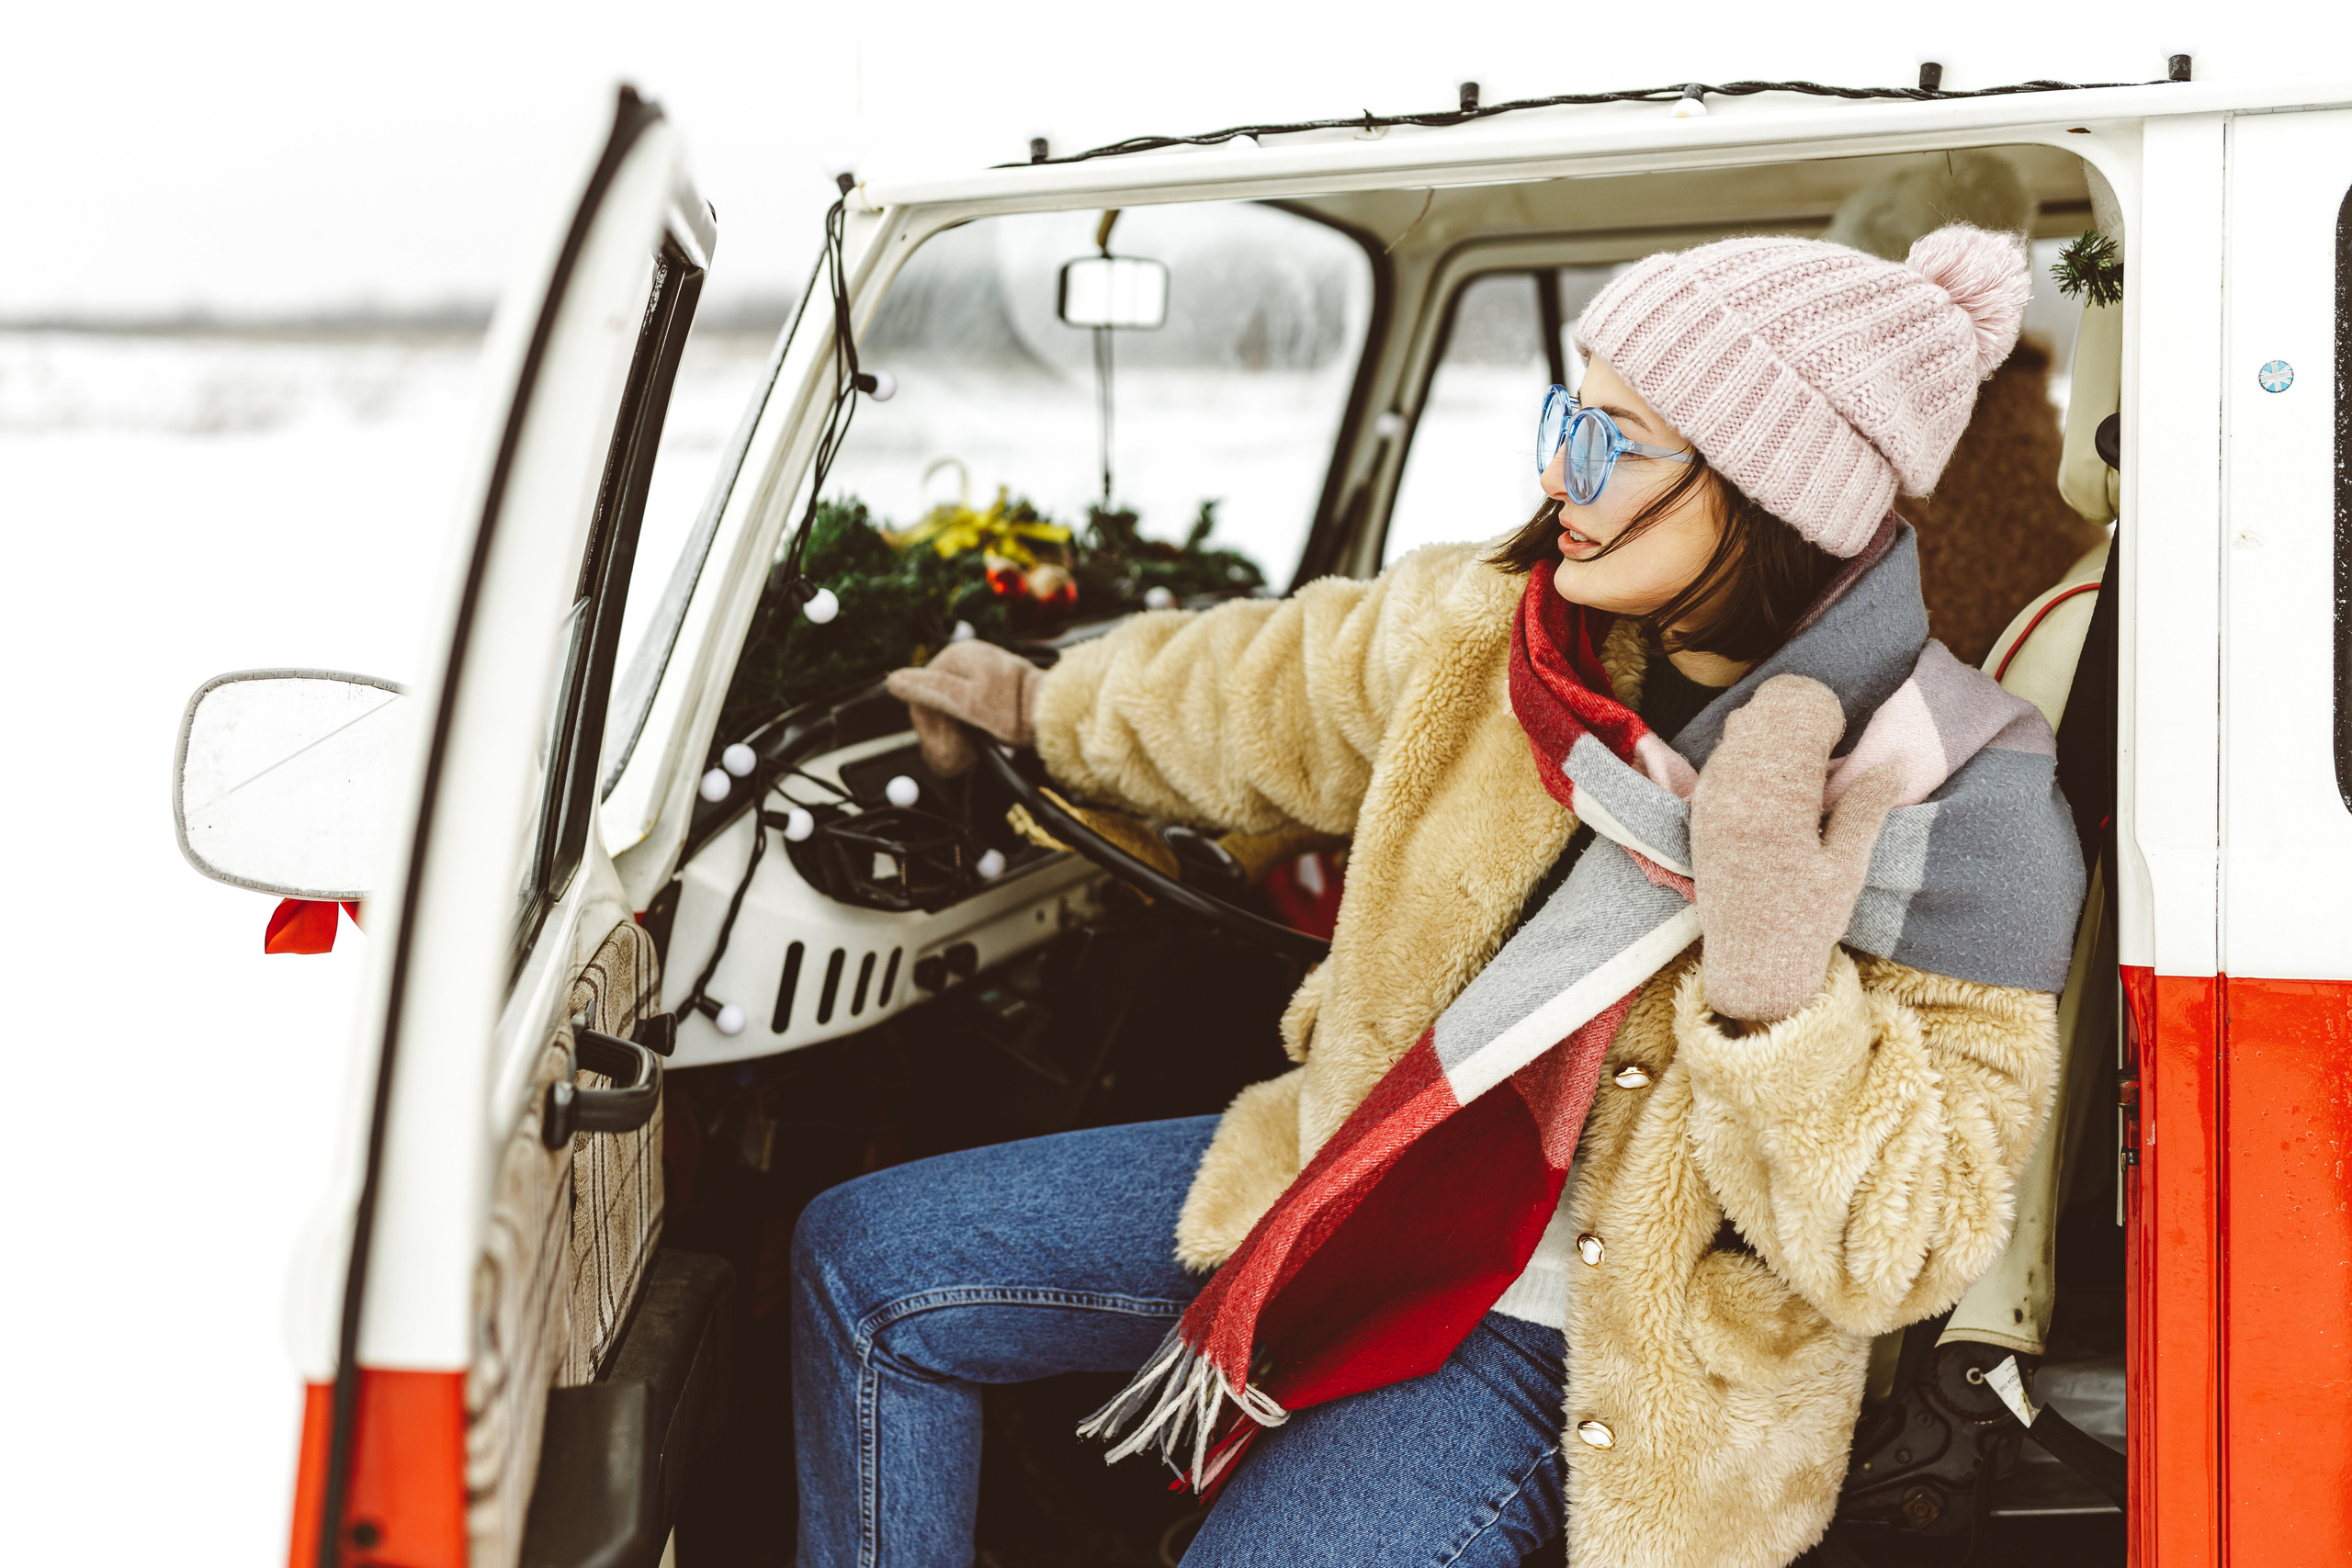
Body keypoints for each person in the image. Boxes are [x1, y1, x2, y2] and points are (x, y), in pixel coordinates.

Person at [793, 225, 2081, 1568]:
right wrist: (1037, 703)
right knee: (864, 1263)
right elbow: (1264, 689)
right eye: (1568, 416)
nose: (1559, 472)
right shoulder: (1508, 631)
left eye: (1619, 439)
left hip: (1581, 1342)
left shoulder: (1957, 801)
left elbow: (1908, 1249)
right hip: (1356, 1173)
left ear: (1771, 486)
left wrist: (1778, 992)